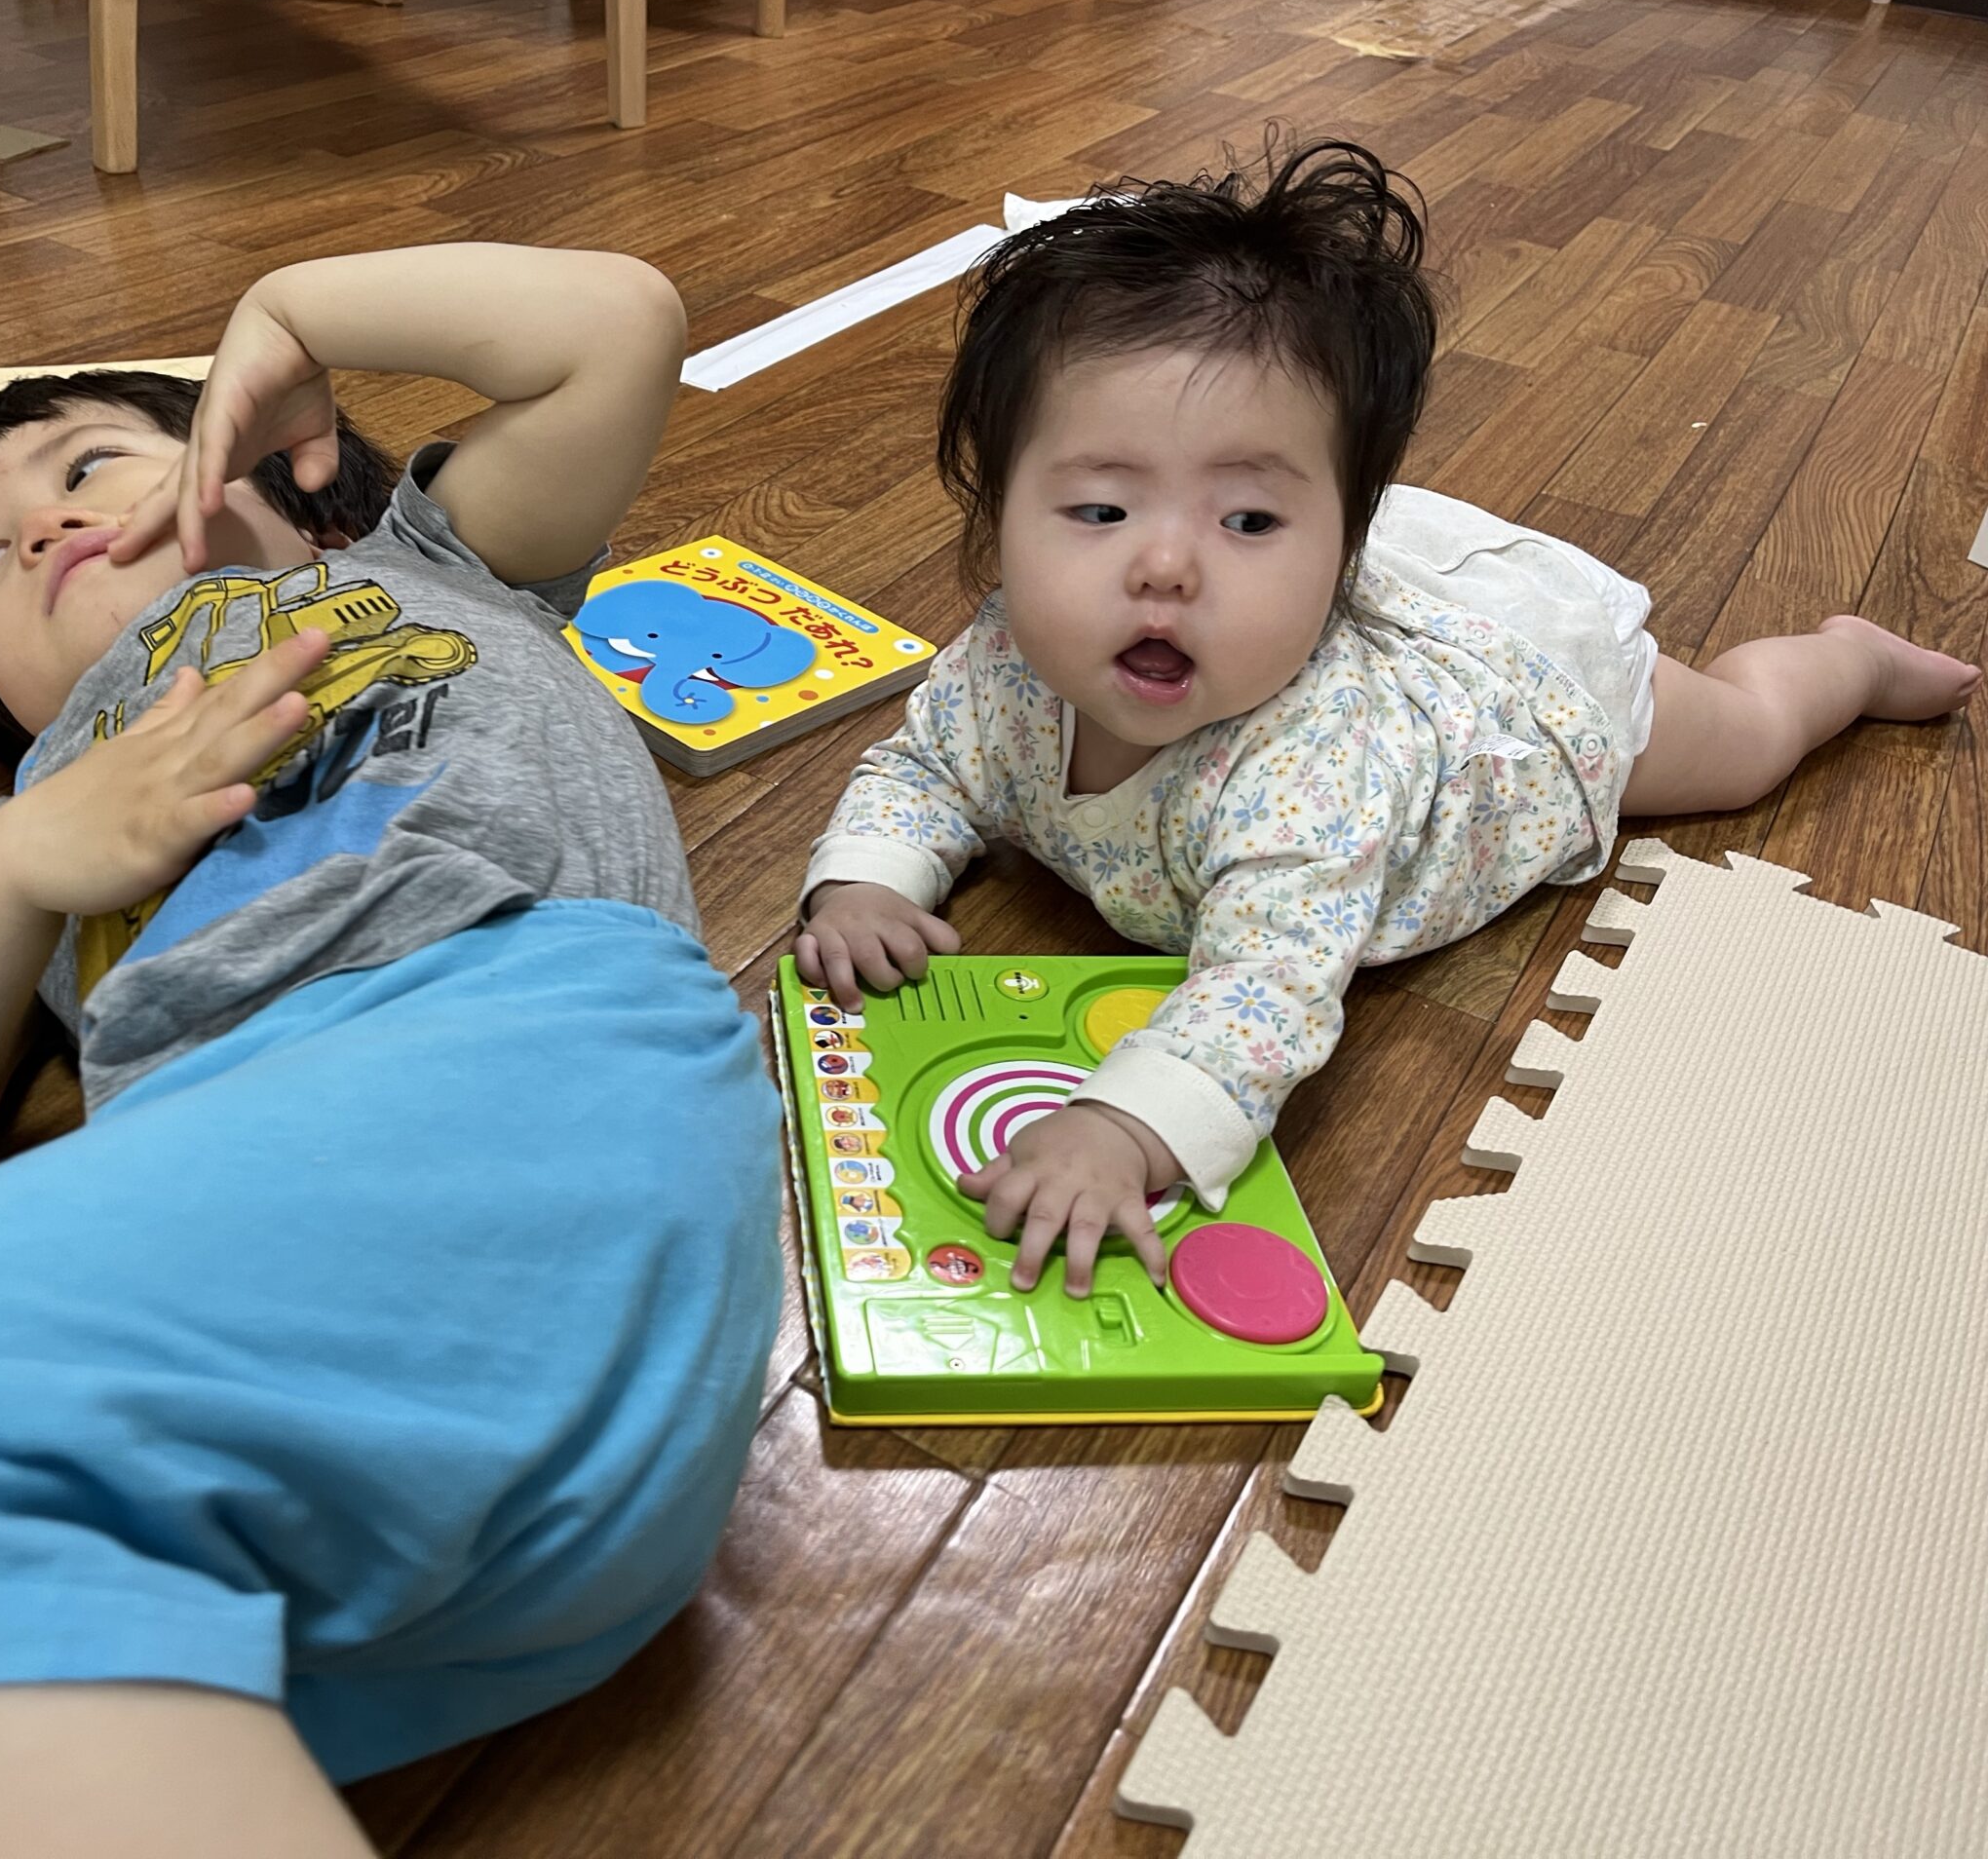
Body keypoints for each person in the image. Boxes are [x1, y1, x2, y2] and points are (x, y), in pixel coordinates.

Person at [0, 243, 782, 1859]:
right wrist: (11, 863)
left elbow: (618, 324)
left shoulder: (434, 563)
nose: (36, 528)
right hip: (433, 1517)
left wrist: (291, 314)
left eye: (88, 464)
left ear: (280, 470)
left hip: (518, 1045)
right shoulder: (56, 797)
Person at [795, 138, 1980, 1300]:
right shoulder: (1006, 662)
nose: (1164, 566)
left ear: (1343, 550)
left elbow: (1266, 990)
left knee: (1749, 741)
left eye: (1249, 522)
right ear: (997, 510)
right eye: (1100, 510)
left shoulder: (1308, 768)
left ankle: (1848, 660)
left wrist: (1124, 1124)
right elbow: (923, 768)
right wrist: (867, 882)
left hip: (1522, 720)